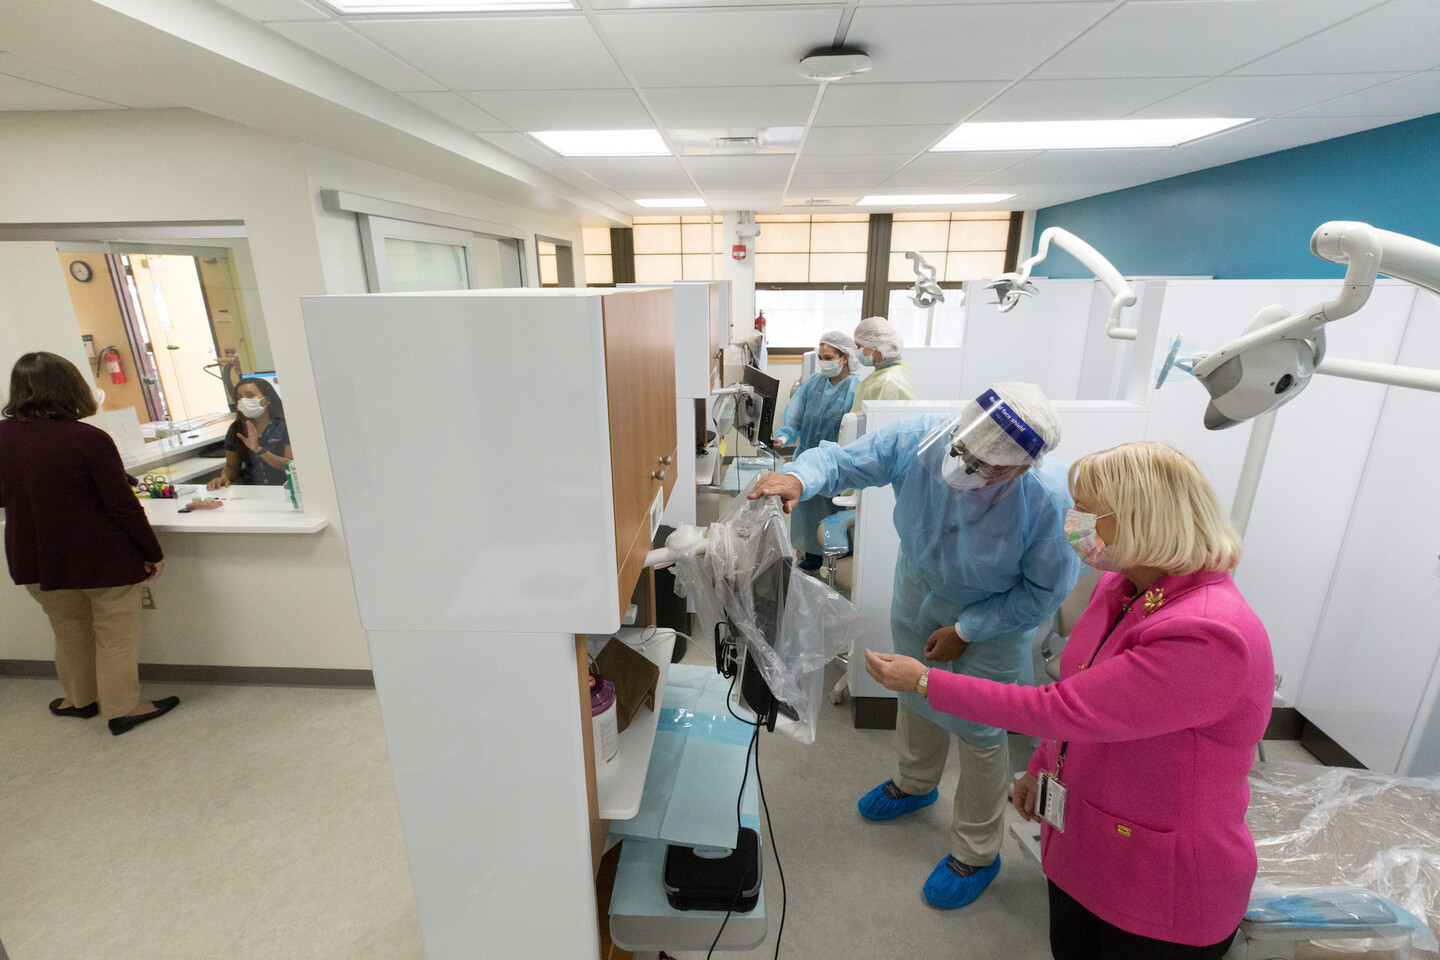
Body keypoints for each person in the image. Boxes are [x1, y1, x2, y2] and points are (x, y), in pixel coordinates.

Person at [864, 441, 1273, 959]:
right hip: (1086, 847)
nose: (1071, 522)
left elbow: (1060, 707)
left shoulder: (1208, 634)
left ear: (1141, 519)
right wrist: (1040, 767)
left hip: (1162, 884)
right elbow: (1082, 683)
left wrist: (926, 682)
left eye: (1086, 512)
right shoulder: (1123, 587)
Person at [748, 383, 1080, 909]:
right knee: (914, 690)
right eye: (962, 447)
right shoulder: (924, 438)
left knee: (979, 726)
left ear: (1020, 467)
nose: (963, 466)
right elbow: (842, 461)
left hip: (993, 617)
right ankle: (915, 781)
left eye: (984, 464)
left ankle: (976, 849)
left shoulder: (1046, 500)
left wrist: (966, 631)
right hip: (919, 588)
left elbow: (1045, 592)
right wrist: (798, 476)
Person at [0, 351, 180, 736]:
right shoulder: (88, 438)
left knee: (68, 629)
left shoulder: (2, 436)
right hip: (100, 556)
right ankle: (123, 707)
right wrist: (152, 551)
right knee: (115, 634)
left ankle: (79, 700)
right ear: (71, 387)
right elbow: (121, 505)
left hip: (34, 556)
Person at [770, 330, 860, 571]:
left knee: (831, 510)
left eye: (829, 357)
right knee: (806, 511)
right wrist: (783, 436)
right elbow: (795, 416)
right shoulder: (812, 383)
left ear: (845, 357)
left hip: (836, 463)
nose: (823, 362)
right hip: (807, 460)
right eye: (821, 357)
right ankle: (811, 554)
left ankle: (837, 555)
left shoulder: (857, 389)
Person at [207, 377, 292, 490]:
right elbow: (232, 466)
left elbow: (290, 466)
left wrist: (258, 449)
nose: (244, 401)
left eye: (250, 395)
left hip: (285, 489)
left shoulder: (285, 426)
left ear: (267, 399)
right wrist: (223, 477)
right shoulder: (236, 428)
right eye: (240, 397)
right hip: (252, 490)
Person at [850, 316, 916, 413]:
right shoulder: (884, 375)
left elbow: (880, 423)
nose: (857, 351)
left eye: (859, 346)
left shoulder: (888, 382)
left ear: (877, 345)